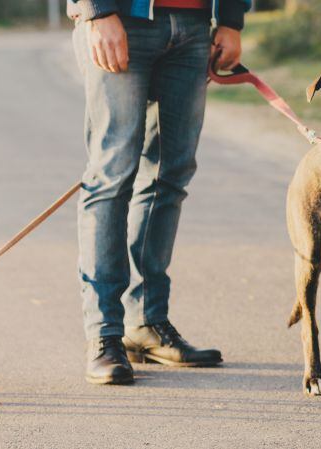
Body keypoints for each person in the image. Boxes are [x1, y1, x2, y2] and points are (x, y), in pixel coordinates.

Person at [67, 0, 249, 385]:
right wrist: (96, 11)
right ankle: (104, 334)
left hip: (195, 25)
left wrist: (232, 19)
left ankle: (146, 322)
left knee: (171, 174)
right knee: (112, 176)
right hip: (121, 18)